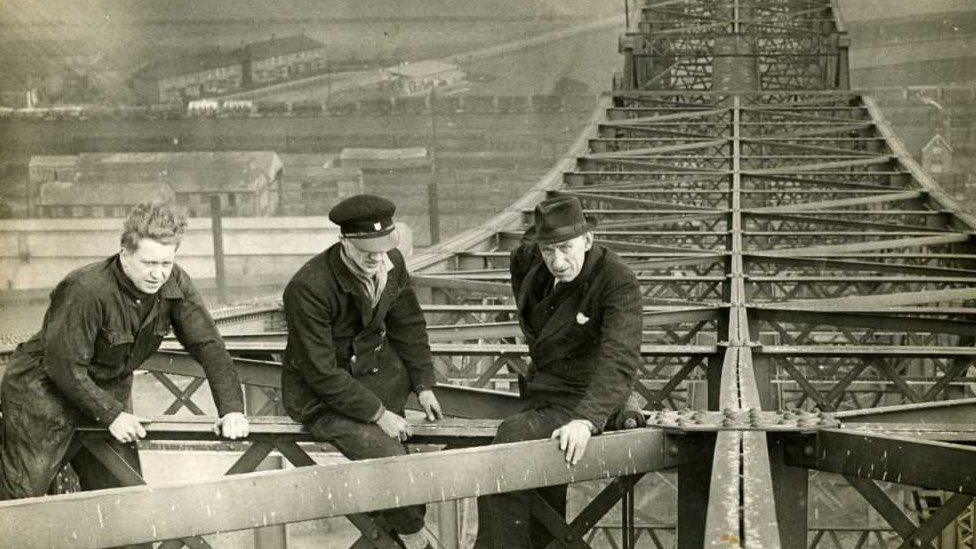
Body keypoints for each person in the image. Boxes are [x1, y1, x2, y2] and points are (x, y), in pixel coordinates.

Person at [0, 201, 249, 501]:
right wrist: (112, 414)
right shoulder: (86, 289)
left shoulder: (175, 282)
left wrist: (232, 409)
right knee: (19, 501)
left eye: (166, 264)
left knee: (124, 499)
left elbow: (209, 345)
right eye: (149, 264)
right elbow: (63, 366)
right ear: (124, 253)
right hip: (42, 394)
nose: (158, 275)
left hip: (104, 394)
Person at [475, 195, 642, 548]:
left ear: (588, 240)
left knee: (509, 444)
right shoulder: (529, 262)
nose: (558, 261)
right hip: (544, 393)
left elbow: (619, 359)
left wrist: (586, 420)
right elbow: (527, 254)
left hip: (585, 397)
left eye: (566, 248)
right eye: (548, 250)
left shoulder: (617, 280)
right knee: (543, 481)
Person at [281, 194, 442, 549]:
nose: (378, 260)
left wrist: (423, 383)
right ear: (344, 243)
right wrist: (379, 414)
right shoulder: (308, 287)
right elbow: (321, 372)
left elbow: (409, 326)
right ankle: (417, 540)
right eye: (368, 252)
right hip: (322, 399)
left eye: (384, 249)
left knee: (401, 470)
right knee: (391, 463)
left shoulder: (392, 264)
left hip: (377, 383)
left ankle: (399, 534)